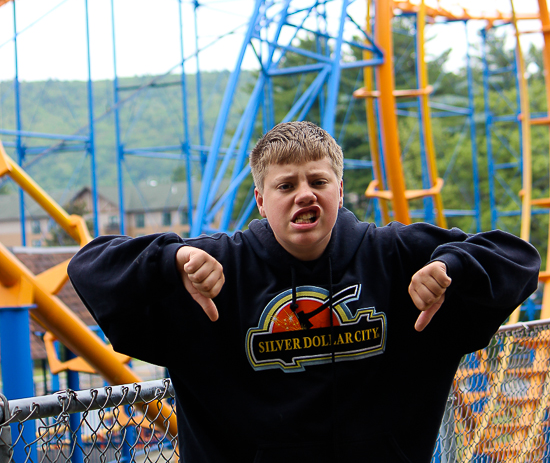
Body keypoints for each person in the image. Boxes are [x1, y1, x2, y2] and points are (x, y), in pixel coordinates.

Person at [68, 121, 540, 463]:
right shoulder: (213, 268)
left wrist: (449, 265)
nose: (304, 195)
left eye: (318, 181)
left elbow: (517, 258)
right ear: (260, 198)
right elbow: (89, 266)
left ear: (339, 189)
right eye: (285, 185)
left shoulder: (396, 256)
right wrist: (168, 261)